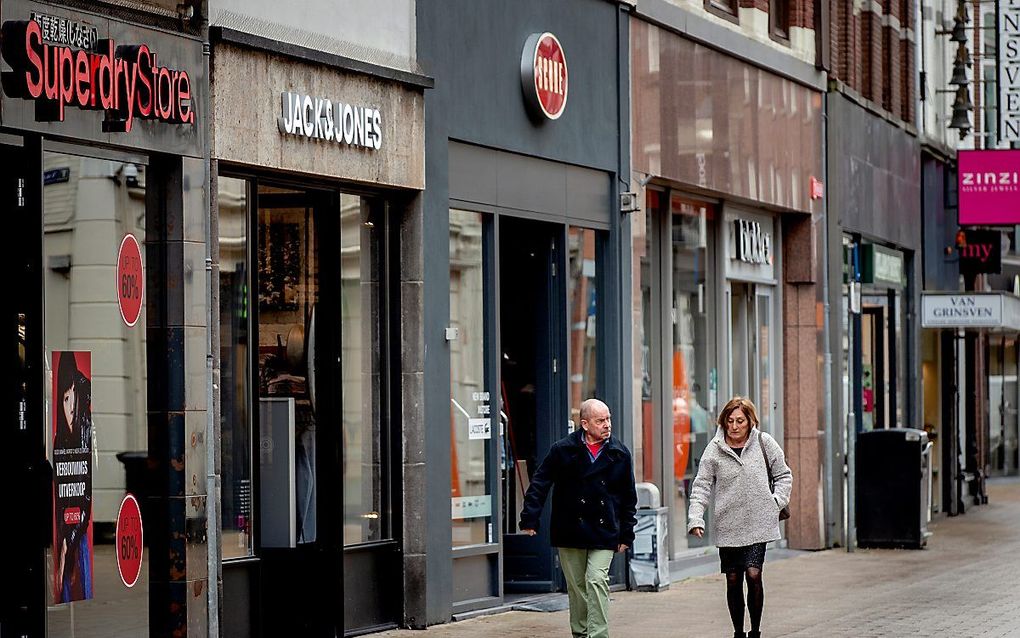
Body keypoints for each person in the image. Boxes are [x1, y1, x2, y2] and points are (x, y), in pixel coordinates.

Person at [519, 398, 637, 638]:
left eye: (608, 419)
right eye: (600, 420)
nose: (607, 425)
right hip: (570, 528)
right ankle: (581, 633)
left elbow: (628, 497)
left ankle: (598, 635)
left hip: (605, 529)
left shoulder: (619, 453)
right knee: (577, 587)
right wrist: (530, 518)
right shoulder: (562, 450)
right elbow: (540, 483)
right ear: (584, 424)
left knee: (596, 580)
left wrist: (627, 533)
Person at [687, 396, 792, 638]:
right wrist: (696, 518)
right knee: (733, 579)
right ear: (723, 422)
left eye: (740, 421)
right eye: (730, 421)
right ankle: (738, 632)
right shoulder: (714, 449)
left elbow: (783, 475)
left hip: (758, 523)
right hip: (728, 524)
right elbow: (701, 485)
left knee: (753, 574)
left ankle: (755, 631)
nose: (734, 426)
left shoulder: (764, 443)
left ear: (750, 421)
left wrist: (776, 501)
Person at [53, 352, 94, 603]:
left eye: (73, 397)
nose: (70, 407)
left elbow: (86, 490)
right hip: (64, 521)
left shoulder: (86, 429)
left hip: (79, 521)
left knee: (77, 557)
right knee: (64, 581)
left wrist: (71, 536)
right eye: (65, 398)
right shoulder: (60, 440)